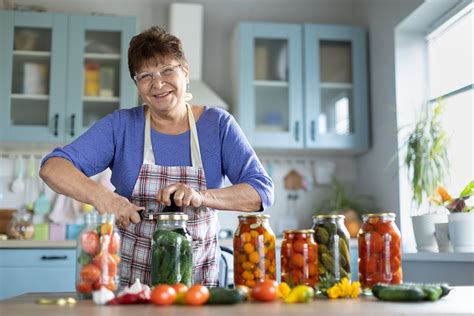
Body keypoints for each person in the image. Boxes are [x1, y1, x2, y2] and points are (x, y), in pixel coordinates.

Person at [40, 26, 274, 288]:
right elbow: (52, 168)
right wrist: (105, 198)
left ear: (185, 71)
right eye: (146, 75)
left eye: (167, 71)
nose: (158, 84)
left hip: (200, 290)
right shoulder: (122, 126)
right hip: (131, 288)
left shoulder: (218, 125)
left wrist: (201, 196)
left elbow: (261, 192)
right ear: (137, 84)